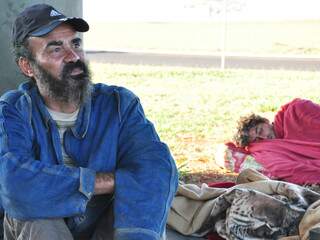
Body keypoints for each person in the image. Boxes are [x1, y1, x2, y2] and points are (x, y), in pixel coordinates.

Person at [0, 4, 178, 240]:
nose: (73, 56)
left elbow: (156, 169)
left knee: (136, 205)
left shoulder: (119, 104)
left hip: (98, 221)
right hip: (40, 227)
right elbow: (15, 186)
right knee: (35, 213)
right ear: (27, 66)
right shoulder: (13, 111)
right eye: (56, 49)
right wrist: (112, 180)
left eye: (75, 44)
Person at [228, 98, 320, 184]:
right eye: (257, 139)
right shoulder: (267, 150)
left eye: (260, 130)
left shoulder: (294, 110)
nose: (264, 137)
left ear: (265, 121)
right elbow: (284, 168)